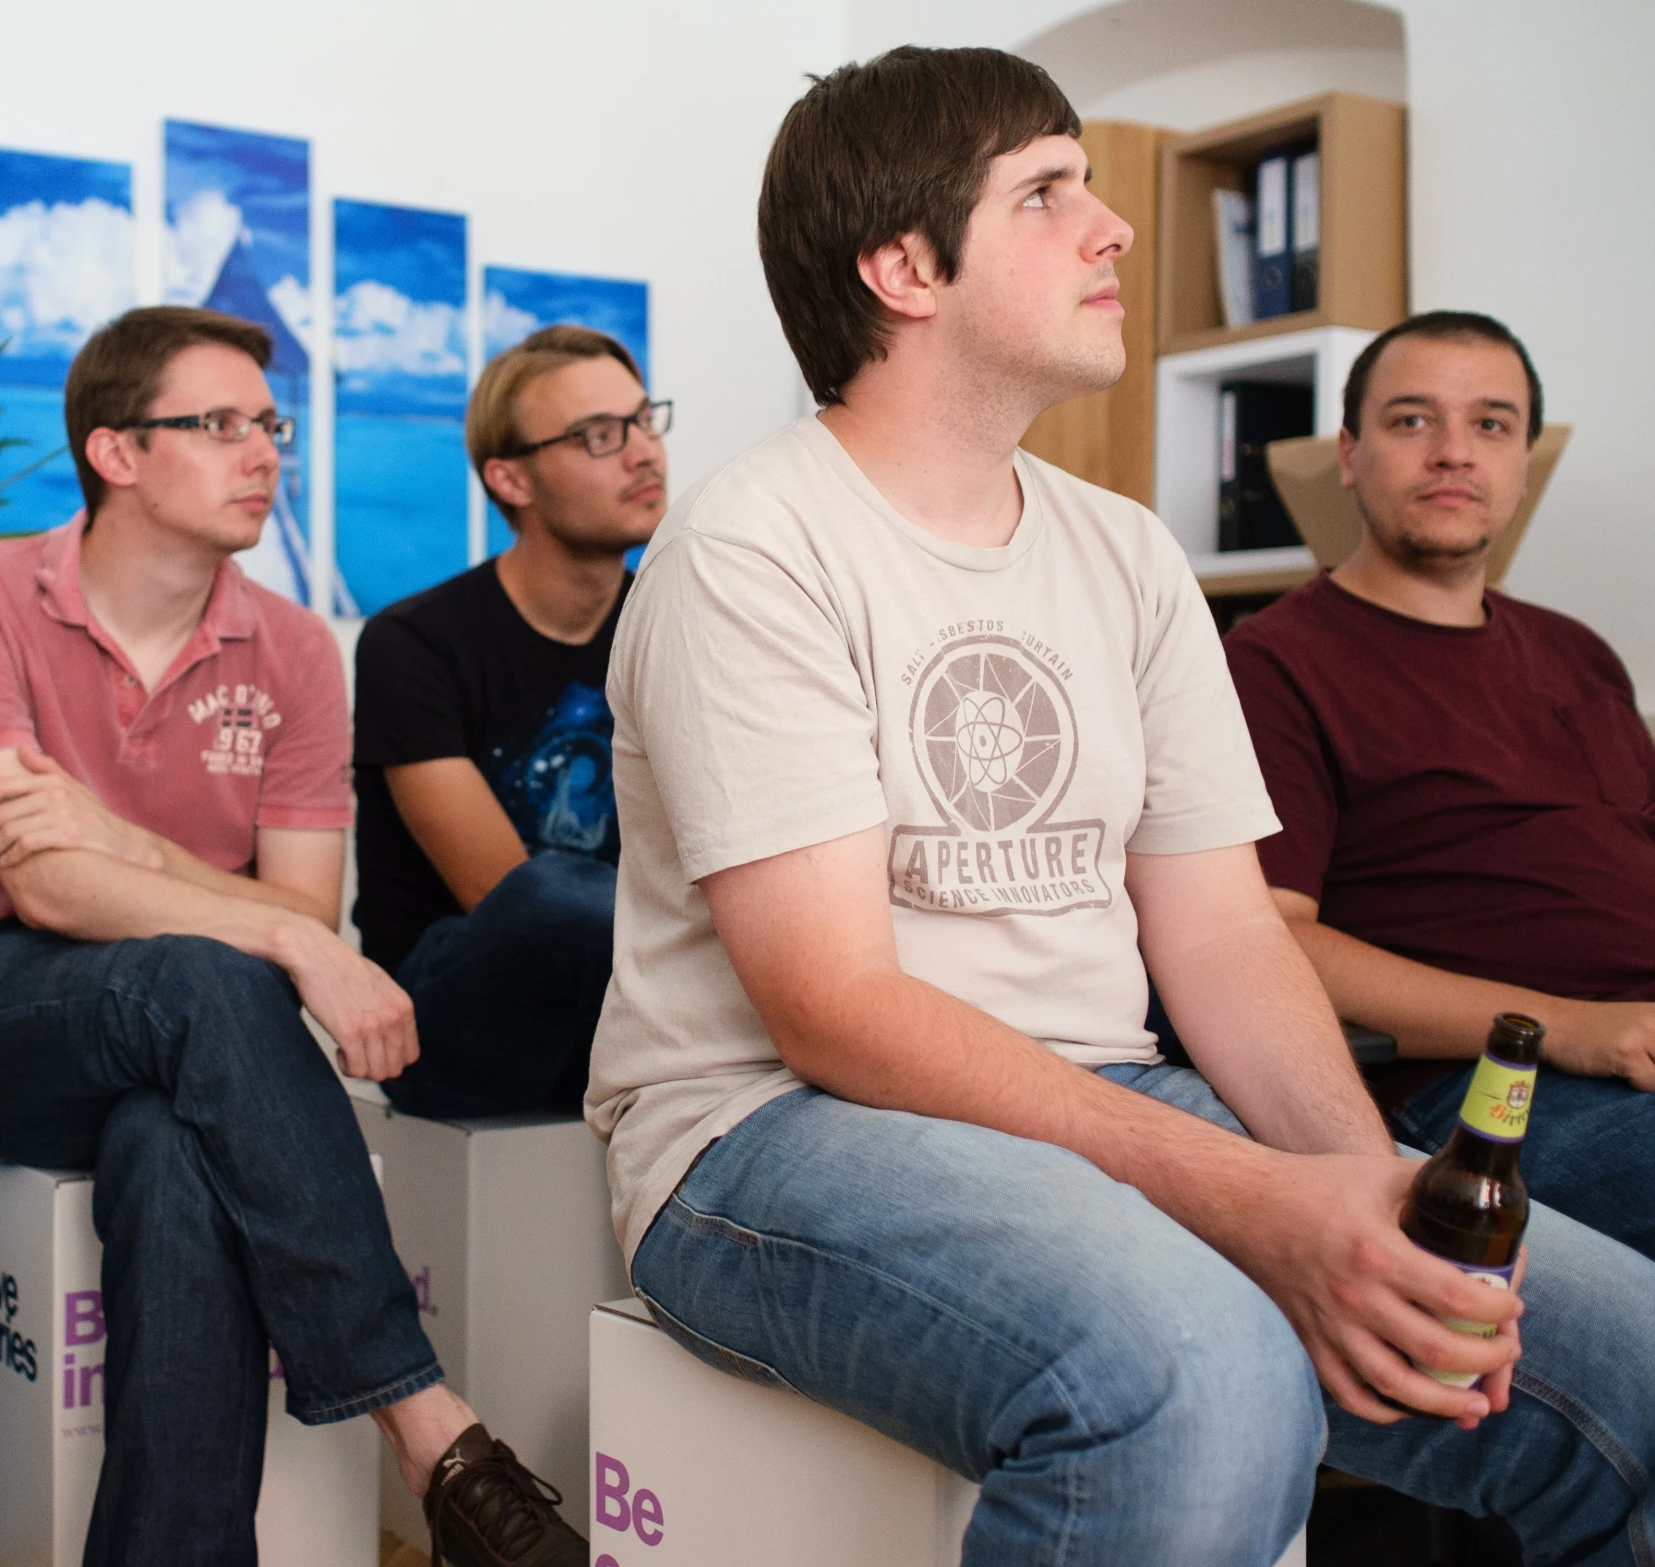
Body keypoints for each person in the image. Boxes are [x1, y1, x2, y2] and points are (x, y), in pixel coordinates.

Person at [586, 46, 1655, 1565]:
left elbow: (1220, 931)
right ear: (903, 267)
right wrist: (1254, 1198)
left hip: (1096, 1091)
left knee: (1626, 1359)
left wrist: (1361, 1184)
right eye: (1047, 192)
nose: (1116, 226)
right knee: (1197, 1375)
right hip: (763, 1129)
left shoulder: (1129, 552)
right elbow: (833, 1009)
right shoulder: (753, 546)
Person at [0, 305, 586, 1567]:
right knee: (208, 974)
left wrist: (133, 849)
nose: (266, 451)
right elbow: (43, 888)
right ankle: (426, 1421)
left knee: (171, 1150)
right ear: (115, 451)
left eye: (269, 424)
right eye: (219, 425)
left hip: (184, 1045)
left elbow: (299, 912)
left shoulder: (296, 654)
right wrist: (276, 937)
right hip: (2, 1011)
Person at [1224, 312, 1655, 1260]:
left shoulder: (1579, 652)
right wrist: (1576, 1031)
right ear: (1349, 453)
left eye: (1492, 424)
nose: (1455, 453)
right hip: (1491, 1077)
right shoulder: (1274, 664)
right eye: (1413, 421)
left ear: (1525, 463)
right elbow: (1268, 935)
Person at [351, 326, 668, 1118]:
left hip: (630, 1007)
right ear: (509, 478)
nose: (642, 453)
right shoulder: (413, 642)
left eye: (644, 421)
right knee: (553, 897)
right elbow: (502, 891)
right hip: (454, 1014)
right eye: (600, 436)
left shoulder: (679, 627)